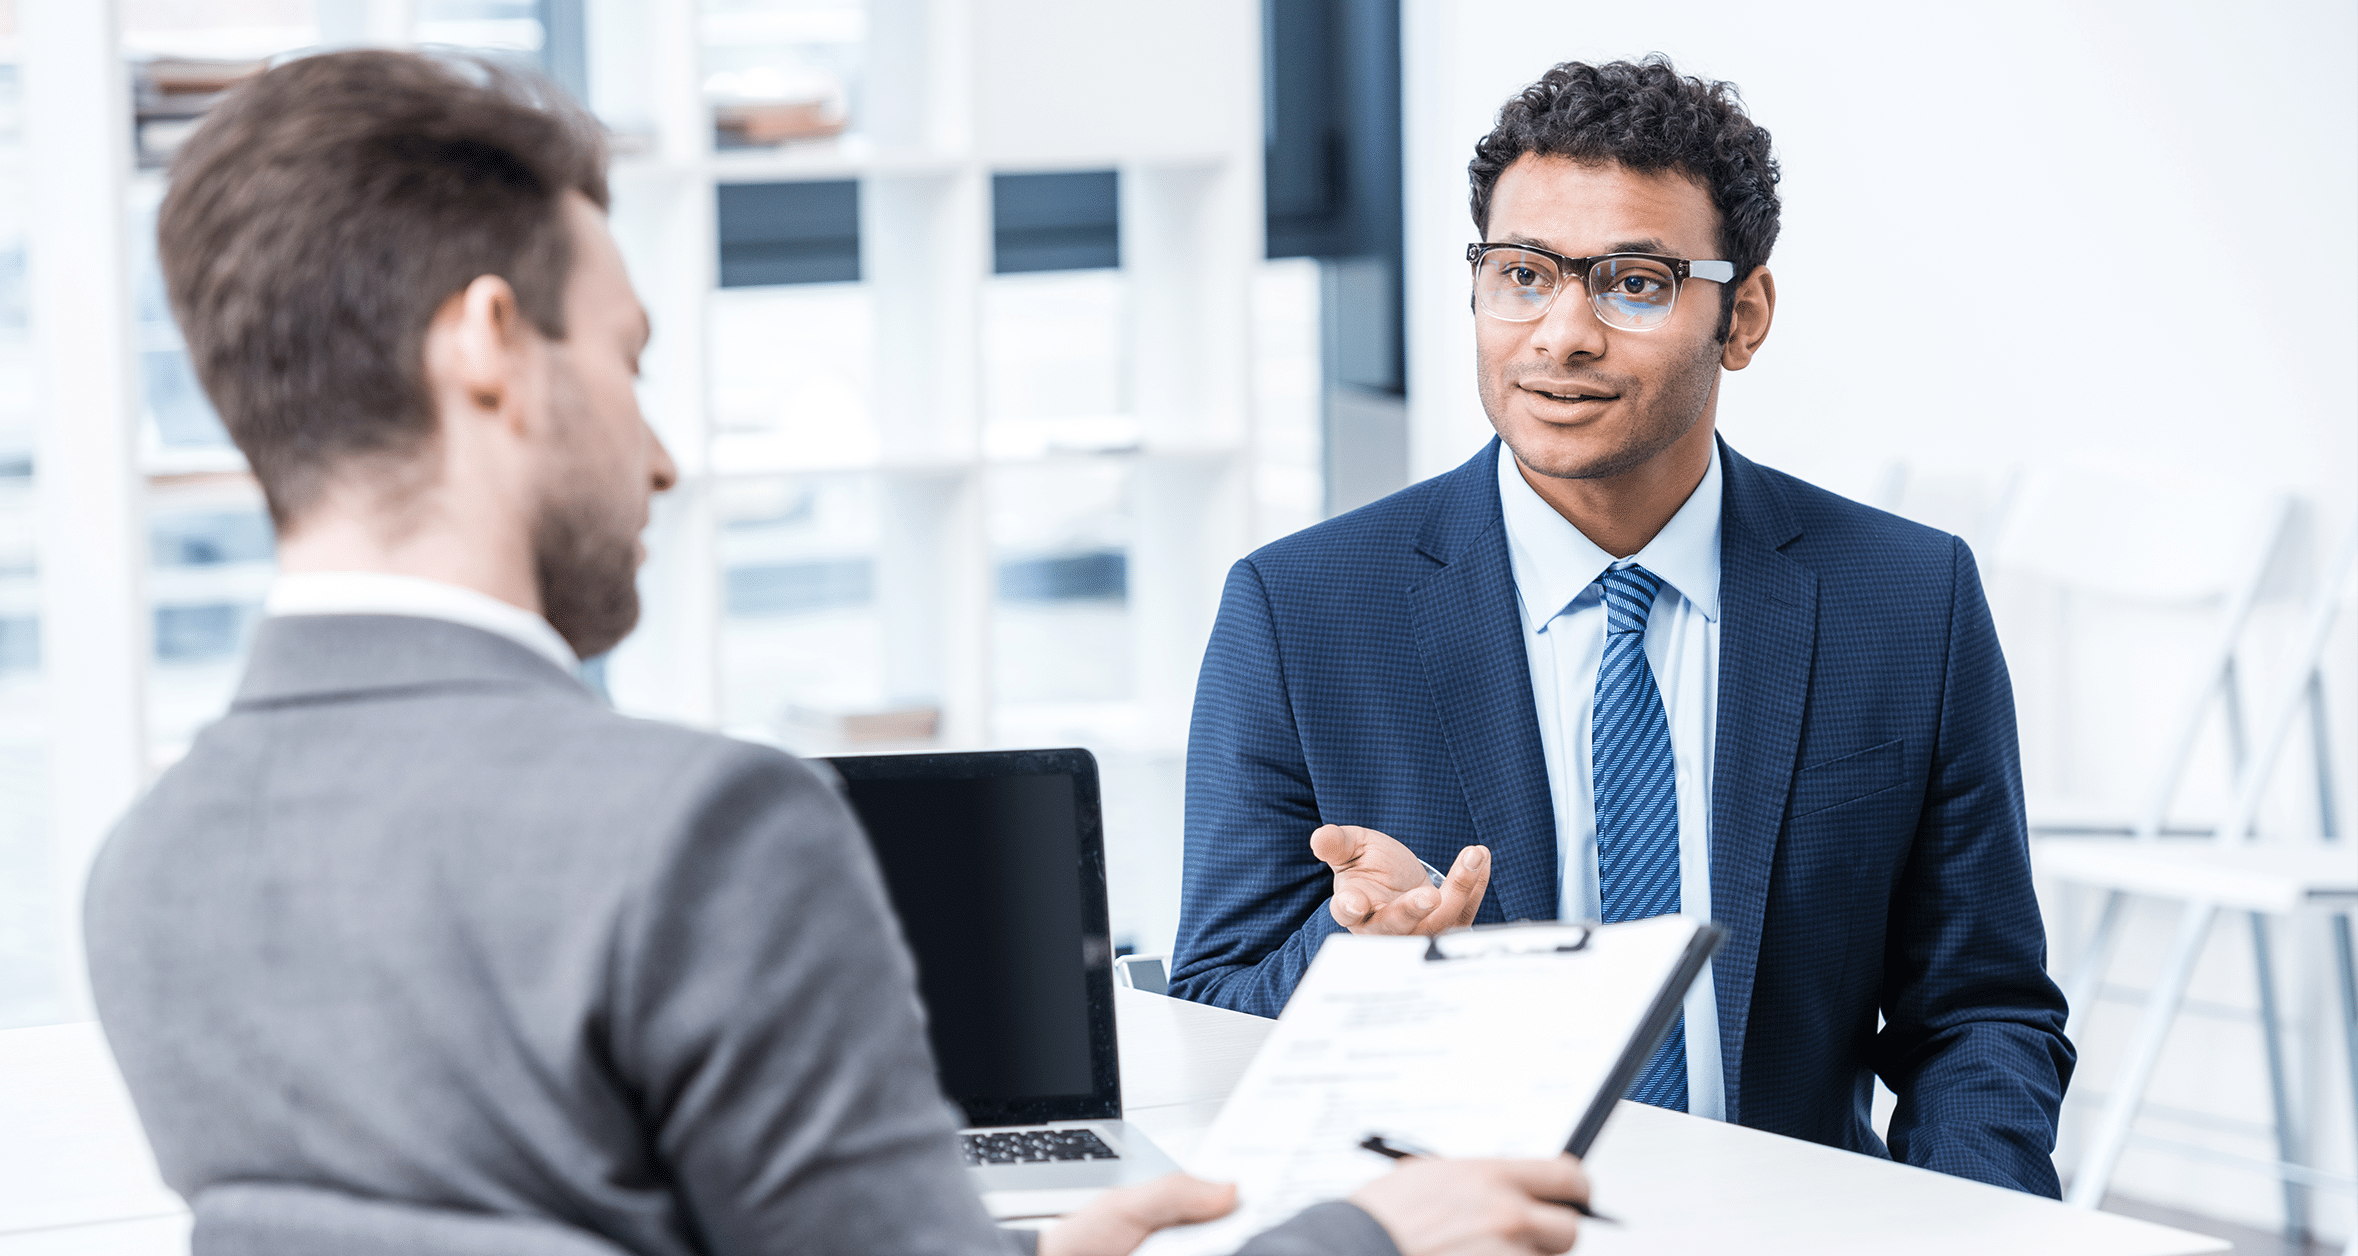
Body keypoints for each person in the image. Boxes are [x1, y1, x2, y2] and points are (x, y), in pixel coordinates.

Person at [82, 50, 1594, 1256]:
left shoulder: (152, 867)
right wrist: (1365, 1240)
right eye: (629, 362)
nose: (662, 456)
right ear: (487, 342)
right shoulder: (693, 835)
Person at [1169, 55, 2076, 1198]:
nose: (1562, 334)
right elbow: (1211, 1021)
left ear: (1741, 315)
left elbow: (1980, 1010)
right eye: (1523, 274)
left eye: (1634, 282)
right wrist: (1359, 955)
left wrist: (1972, 1235)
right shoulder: (1302, 612)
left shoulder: (1904, 599)